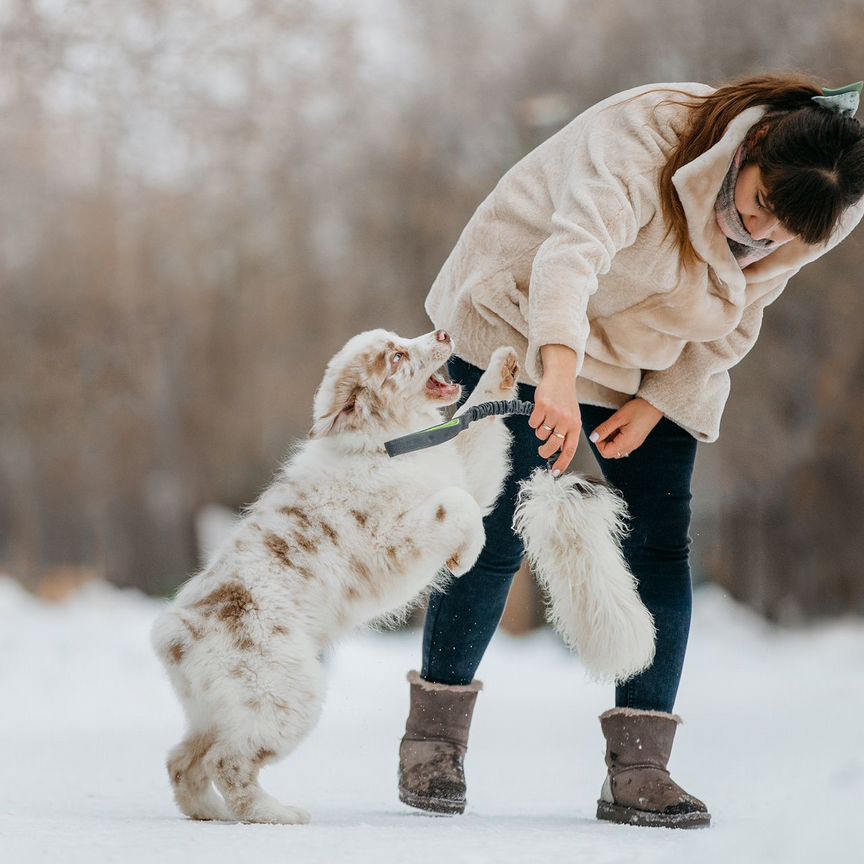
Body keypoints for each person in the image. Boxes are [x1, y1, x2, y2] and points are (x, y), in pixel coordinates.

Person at [396, 75, 864, 829]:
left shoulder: (828, 203)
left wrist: (658, 401)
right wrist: (556, 373)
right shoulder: (649, 133)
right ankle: (433, 742)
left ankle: (640, 769)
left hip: (657, 353)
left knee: (659, 542)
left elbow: (745, 310)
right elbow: (569, 256)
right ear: (754, 148)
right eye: (760, 207)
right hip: (523, 315)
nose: (763, 235)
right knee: (498, 526)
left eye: (784, 234)